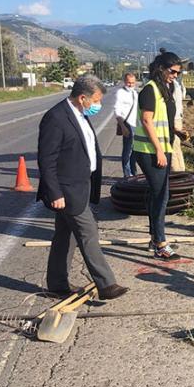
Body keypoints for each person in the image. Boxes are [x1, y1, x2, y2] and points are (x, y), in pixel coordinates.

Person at [37, 74, 129, 300]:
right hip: (67, 190)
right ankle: (106, 285)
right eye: (95, 101)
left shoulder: (78, 113)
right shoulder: (56, 118)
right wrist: (55, 193)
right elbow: (46, 160)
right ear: (82, 97)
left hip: (81, 185)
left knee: (64, 237)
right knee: (89, 232)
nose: (98, 105)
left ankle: (57, 285)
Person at [132, 51, 187, 260]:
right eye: (173, 71)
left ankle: (154, 237)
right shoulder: (150, 90)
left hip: (163, 147)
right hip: (149, 150)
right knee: (160, 195)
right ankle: (161, 244)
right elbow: (147, 121)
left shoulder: (167, 88)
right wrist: (159, 150)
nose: (175, 75)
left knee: (157, 194)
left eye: (177, 73)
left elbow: (165, 118)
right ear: (161, 68)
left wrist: (178, 132)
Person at [114, 72, 139, 177]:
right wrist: (123, 126)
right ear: (124, 82)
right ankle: (127, 175)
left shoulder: (135, 93)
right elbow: (117, 111)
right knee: (127, 152)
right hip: (127, 124)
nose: (131, 85)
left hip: (136, 125)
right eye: (129, 83)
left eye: (133, 83)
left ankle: (134, 173)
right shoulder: (121, 93)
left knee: (134, 152)